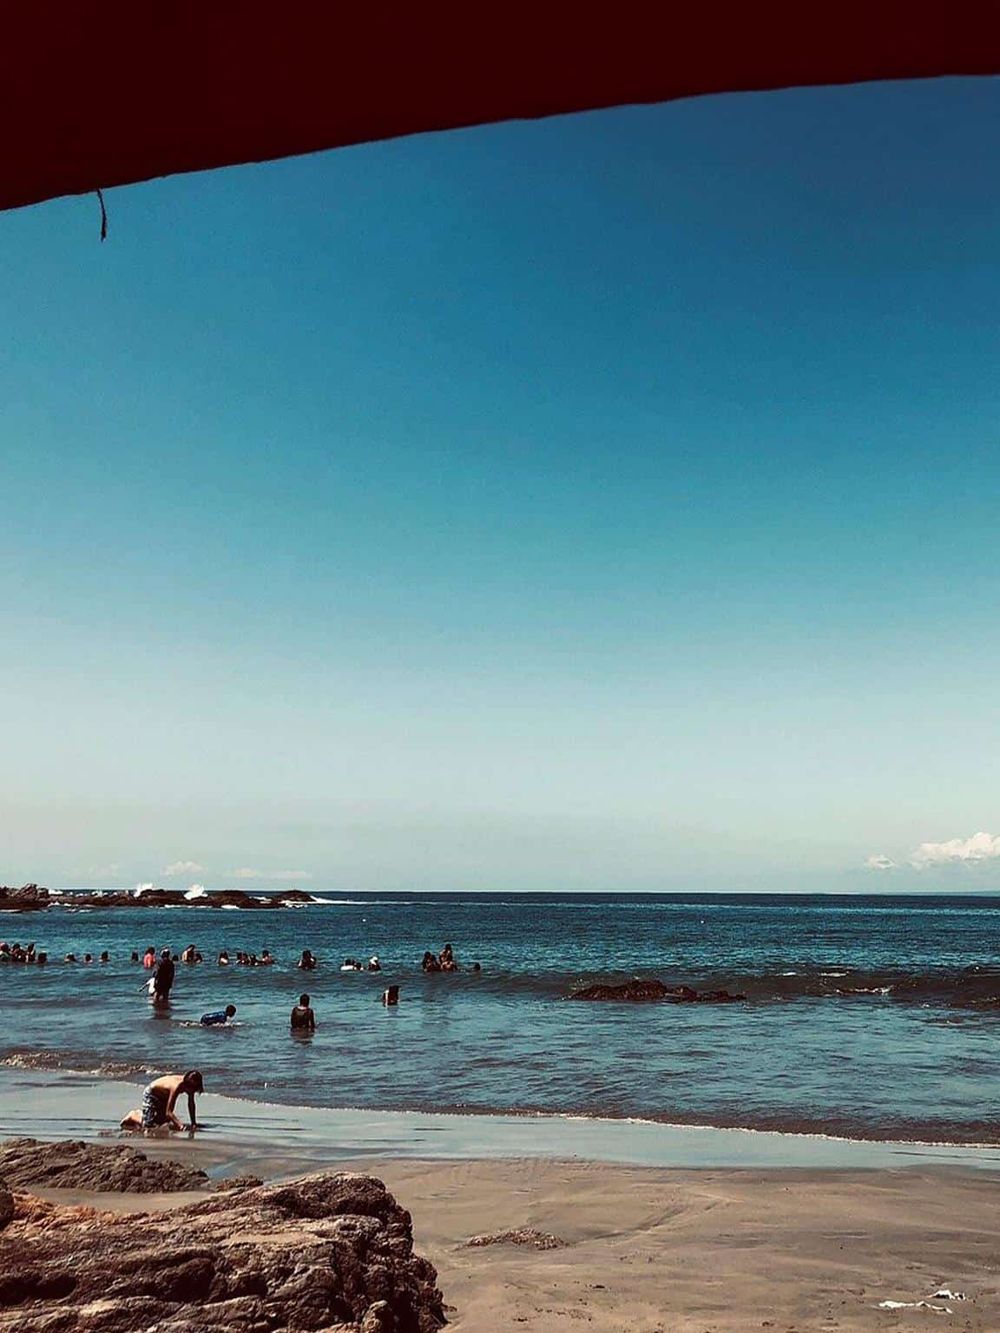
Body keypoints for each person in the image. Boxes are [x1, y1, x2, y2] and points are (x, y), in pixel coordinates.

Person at [120, 1070, 204, 1132]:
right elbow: (169, 1112)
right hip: (152, 1094)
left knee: (162, 1122)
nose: (191, 1092)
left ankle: (146, 1115)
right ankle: (134, 1115)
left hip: (164, 1096)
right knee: (149, 1126)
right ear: (186, 1084)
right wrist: (181, 1126)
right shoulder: (176, 1087)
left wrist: (194, 1123)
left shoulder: (191, 1084)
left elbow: (191, 1104)